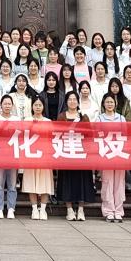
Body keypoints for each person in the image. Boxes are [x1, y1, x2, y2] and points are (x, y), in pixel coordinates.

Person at [56, 93, 93, 221]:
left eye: (74, 99)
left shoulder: (84, 117)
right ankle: (69, 209)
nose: (72, 101)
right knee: (67, 181)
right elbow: (58, 134)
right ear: (66, 102)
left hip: (81, 153)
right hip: (66, 153)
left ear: (78, 102)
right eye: (70, 99)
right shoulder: (61, 116)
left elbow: (89, 135)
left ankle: (81, 209)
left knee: (82, 181)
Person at [95, 92, 127, 223]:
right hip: (106, 154)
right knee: (107, 183)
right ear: (103, 104)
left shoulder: (121, 118)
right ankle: (108, 211)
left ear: (116, 104)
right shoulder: (99, 119)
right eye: (107, 102)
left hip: (119, 154)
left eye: (111, 102)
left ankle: (118, 211)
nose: (109, 104)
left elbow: (126, 135)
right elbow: (97, 136)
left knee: (119, 183)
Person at [23, 95, 53, 220]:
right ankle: (34, 209)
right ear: (32, 107)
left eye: (40, 105)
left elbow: (51, 138)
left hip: (44, 156)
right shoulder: (27, 120)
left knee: (45, 183)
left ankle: (43, 209)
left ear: (43, 107)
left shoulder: (48, 121)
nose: (38, 107)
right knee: (31, 182)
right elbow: (23, 136)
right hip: (31, 155)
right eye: (36, 105)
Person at [0, 93, 20, 219]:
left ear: (12, 106)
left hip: (13, 154)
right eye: (5, 104)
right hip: (0, 154)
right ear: (1, 105)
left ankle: (11, 208)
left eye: (9, 104)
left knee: (12, 184)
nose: (7, 106)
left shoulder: (17, 120)